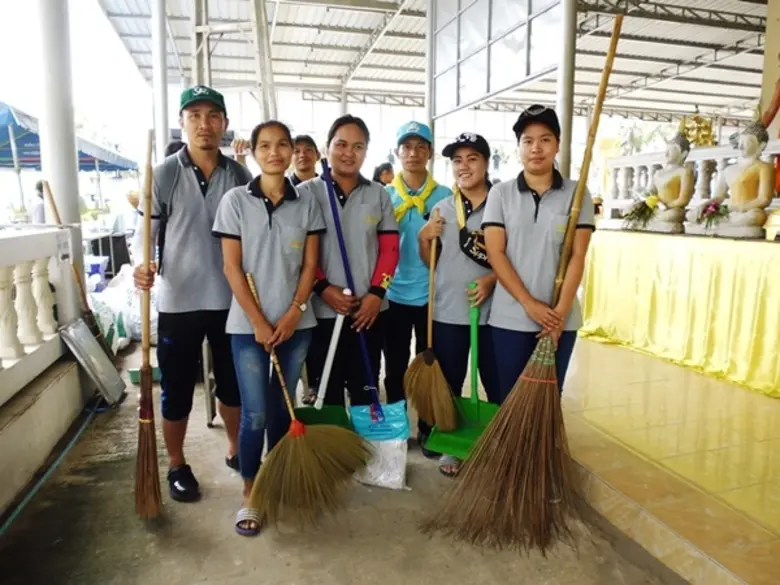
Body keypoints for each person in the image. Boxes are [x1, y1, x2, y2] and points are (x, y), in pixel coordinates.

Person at [132, 85, 253, 503]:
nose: (205, 124)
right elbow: (143, 233)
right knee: (177, 389)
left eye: (213, 115)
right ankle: (177, 463)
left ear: (224, 123)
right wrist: (142, 264)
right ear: (182, 122)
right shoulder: (164, 173)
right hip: (178, 301)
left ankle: (236, 449)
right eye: (195, 116)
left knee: (233, 385)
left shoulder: (238, 175)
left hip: (230, 301)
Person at [212, 120, 324, 537]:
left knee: (282, 408)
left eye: (282, 145)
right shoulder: (235, 201)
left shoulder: (306, 202)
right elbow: (231, 267)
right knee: (255, 412)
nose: (274, 153)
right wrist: (258, 321)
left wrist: (295, 312)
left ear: (293, 150)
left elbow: (310, 265)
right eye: (265, 146)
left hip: (297, 326)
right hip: (248, 328)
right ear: (255, 152)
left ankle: (276, 479)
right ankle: (250, 491)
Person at [482, 105, 595, 402]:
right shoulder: (500, 194)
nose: (536, 148)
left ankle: (543, 439)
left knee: (548, 399)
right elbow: (496, 253)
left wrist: (559, 316)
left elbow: (578, 255)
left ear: (557, 145)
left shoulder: (577, 194)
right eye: (528, 141)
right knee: (510, 397)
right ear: (519, 147)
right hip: (510, 318)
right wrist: (528, 303)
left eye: (545, 140)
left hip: (561, 318)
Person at [297, 114, 399, 408]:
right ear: (326, 147)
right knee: (326, 394)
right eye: (341, 144)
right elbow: (298, 253)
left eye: (358, 146)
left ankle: (365, 438)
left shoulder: (378, 194)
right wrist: (323, 288)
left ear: (366, 151)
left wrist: (376, 295)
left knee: (365, 390)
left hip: (367, 313)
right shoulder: (305, 194)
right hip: (320, 312)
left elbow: (390, 249)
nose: (348, 153)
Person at [418, 132, 500, 477]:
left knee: (496, 383)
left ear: (486, 162)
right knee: (449, 382)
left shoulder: (503, 203)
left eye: (472, 159)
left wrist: (491, 280)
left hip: (495, 314)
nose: (464, 167)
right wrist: (424, 239)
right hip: (449, 310)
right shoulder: (442, 207)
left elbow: (514, 256)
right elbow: (431, 263)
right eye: (457, 161)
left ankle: (497, 441)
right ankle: (451, 444)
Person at [382, 121, 451, 457]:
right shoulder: (384, 196)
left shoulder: (444, 196)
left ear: (430, 153)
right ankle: (396, 429)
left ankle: (426, 427)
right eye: (407, 147)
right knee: (394, 367)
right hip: (392, 295)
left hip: (430, 296)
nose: (413, 153)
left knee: (428, 365)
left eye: (420, 147)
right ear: (397, 152)